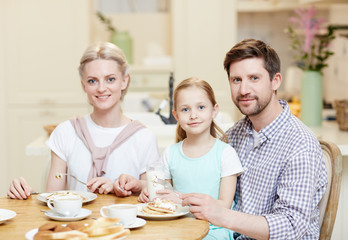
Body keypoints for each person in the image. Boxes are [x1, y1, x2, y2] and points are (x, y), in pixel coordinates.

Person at [181, 39, 328, 240]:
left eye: (254, 78)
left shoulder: (300, 144)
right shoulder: (235, 134)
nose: (243, 90)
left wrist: (221, 215)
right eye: (236, 80)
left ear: (275, 81)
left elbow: (292, 226)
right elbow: (203, 177)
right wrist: (148, 185)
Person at [7, 42, 159, 200]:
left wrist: (134, 186)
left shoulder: (144, 138)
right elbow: (51, 199)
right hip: (76, 224)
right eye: (92, 81)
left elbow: (153, 198)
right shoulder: (66, 132)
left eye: (110, 79)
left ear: (124, 81)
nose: (101, 88)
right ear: (84, 86)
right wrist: (23, 194)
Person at [138, 77, 244, 240]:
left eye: (201, 107)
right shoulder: (170, 153)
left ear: (214, 110)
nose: (193, 115)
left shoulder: (225, 153)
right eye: (185, 110)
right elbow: (162, 193)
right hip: (178, 224)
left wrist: (180, 201)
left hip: (215, 229)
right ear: (176, 115)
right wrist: (149, 193)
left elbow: (225, 205)